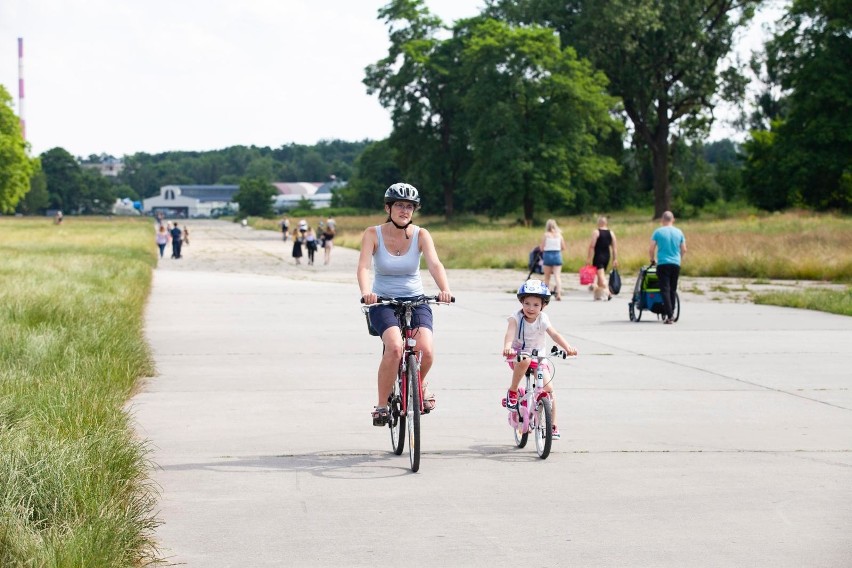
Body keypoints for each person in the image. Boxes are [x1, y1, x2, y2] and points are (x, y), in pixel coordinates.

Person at [357, 183, 453, 426]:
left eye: (409, 206)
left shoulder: (422, 234)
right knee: (395, 348)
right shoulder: (372, 233)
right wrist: (367, 292)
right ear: (388, 208)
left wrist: (445, 289)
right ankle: (381, 405)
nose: (404, 210)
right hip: (383, 301)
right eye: (399, 205)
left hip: (416, 300)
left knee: (427, 351)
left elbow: (434, 264)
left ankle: (418, 384)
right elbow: (364, 267)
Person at [502, 279, 578, 439]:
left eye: (536, 305)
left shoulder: (543, 319)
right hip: (518, 355)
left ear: (543, 305)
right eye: (527, 303)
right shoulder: (516, 317)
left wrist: (567, 347)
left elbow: (554, 334)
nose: (531, 308)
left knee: (549, 390)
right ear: (521, 301)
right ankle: (513, 391)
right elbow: (510, 333)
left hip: (539, 357)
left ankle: (553, 426)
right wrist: (507, 346)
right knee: (525, 360)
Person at [649, 211, 687, 324]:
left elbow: (651, 249)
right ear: (673, 219)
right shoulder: (679, 232)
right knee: (673, 289)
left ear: (662, 220)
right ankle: (672, 312)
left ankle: (670, 315)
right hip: (676, 263)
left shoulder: (658, 232)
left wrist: (652, 259)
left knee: (664, 289)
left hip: (663, 263)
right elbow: (684, 249)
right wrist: (679, 258)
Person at [586, 216, 618, 301]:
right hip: (607, 256)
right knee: (599, 276)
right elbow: (614, 247)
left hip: (598, 256)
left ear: (599, 223)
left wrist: (589, 258)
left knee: (601, 276)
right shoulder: (611, 233)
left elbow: (592, 246)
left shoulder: (596, 232)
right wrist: (615, 259)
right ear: (606, 223)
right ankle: (598, 295)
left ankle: (608, 292)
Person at [540, 219, 567, 301]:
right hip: (557, 255)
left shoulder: (546, 235)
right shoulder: (559, 235)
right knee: (557, 276)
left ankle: (546, 295)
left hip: (548, 255)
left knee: (547, 277)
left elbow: (541, 248)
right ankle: (558, 293)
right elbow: (563, 247)